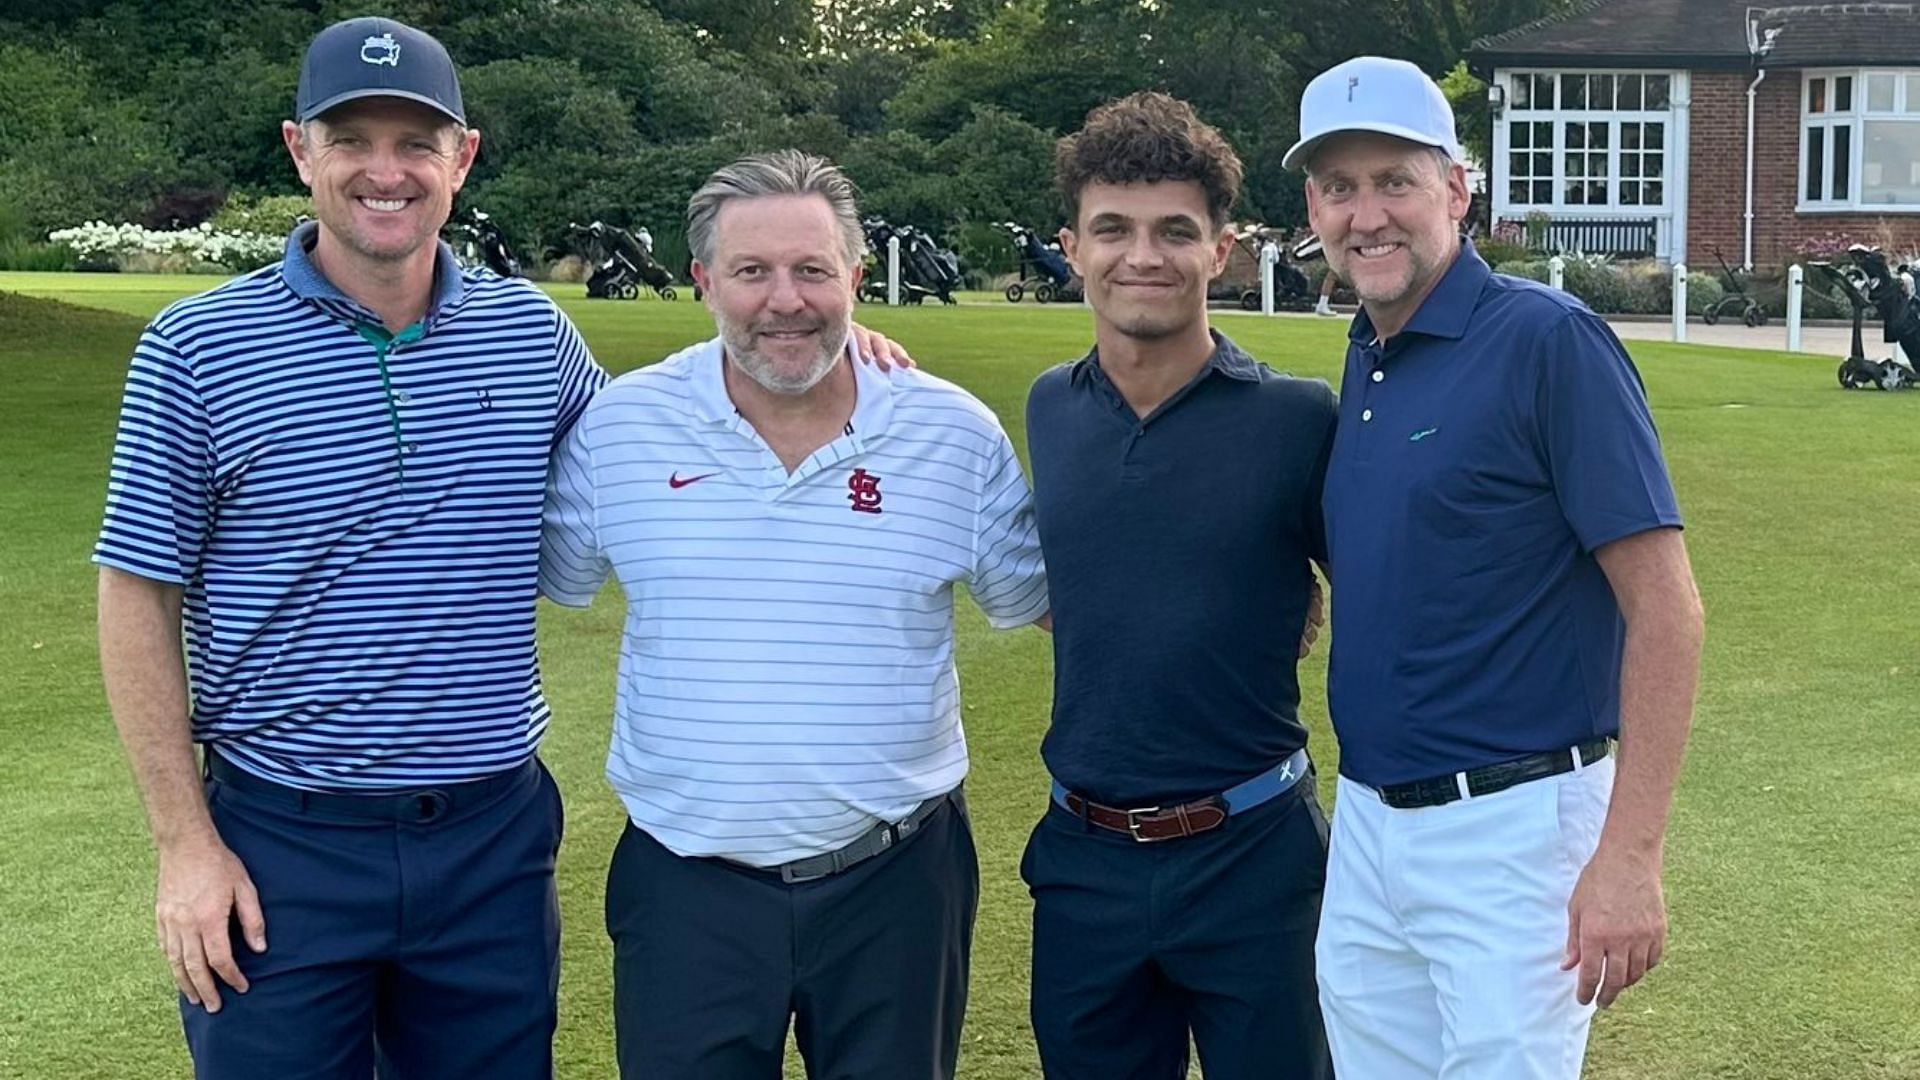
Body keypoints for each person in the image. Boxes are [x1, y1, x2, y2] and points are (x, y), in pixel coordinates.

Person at [93, 17, 607, 1077]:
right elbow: (137, 595)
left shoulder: (532, 335)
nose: (387, 171)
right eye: (352, 139)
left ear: (460, 158)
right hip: (283, 846)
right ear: (300, 151)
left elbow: (670, 449)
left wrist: (844, 349)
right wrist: (185, 847)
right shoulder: (194, 348)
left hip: (491, 841)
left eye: (417, 142)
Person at [538, 149, 1049, 1080]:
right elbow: (520, 578)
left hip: (898, 885)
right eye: (751, 271)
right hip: (685, 886)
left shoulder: (953, 432)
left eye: (813, 270)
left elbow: (1051, 602)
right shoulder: (619, 429)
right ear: (703, 282)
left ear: (855, 277)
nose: (786, 299)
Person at [1287, 56, 1706, 1078]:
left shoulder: (1548, 340)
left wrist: (1630, 855)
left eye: (1396, 180)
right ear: (1312, 206)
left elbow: (1667, 610)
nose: (1367, 214)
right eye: (1340, 188)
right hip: (1373, 830)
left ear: (1458, 189)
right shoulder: (1368, 351)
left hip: (1514, 833)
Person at [1020, 92, 1335, 1080]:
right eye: (1112, 229)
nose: (1141, 256)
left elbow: (1389, 589)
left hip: (1256, 860)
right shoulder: (1048, 407)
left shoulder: (1296, 419)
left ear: (1223, 249)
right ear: (1072, 245)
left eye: (1175, 232)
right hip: (1084, 860)